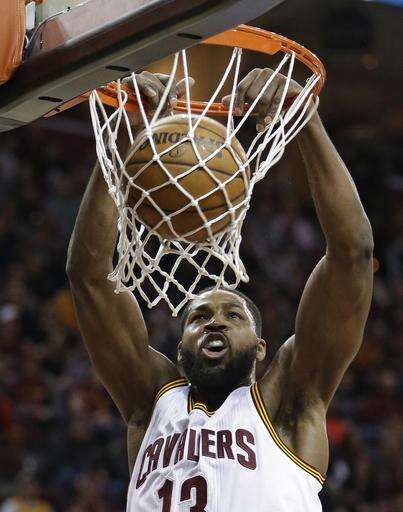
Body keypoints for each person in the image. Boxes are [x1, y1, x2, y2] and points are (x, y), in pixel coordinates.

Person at [66, 68, 374, 511]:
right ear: (179, 348)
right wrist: (123, 138)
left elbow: (353, 255)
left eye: (233, 316)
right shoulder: (151, 405)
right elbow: (89, 277)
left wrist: (304, 117)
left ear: (262, 348)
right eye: (198, 317)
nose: (215, 322)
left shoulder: (289, 404)